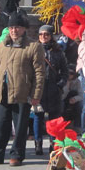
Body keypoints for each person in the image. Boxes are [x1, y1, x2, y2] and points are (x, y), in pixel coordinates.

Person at [0, 12, 45, 167]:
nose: (14, 30)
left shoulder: (33, 46)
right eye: (11, 27)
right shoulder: (2, 45)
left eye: (17, 27)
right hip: (2, 90)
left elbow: (39, 73)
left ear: (24, 29)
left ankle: (17, 155)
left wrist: (36, 94)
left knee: (19, 127)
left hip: (21, 91)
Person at [33, 25, 69, 155]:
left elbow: (65, 71)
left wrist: (60, 85)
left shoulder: (58, 52)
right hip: (39, 89)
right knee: (38, 117)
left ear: (51, 36)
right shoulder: (34, 50)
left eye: (46, 34)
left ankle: (53, 143)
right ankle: (38, 143)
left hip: (54, 88)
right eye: (41, 34)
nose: (43, 37)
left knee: (54, 118)